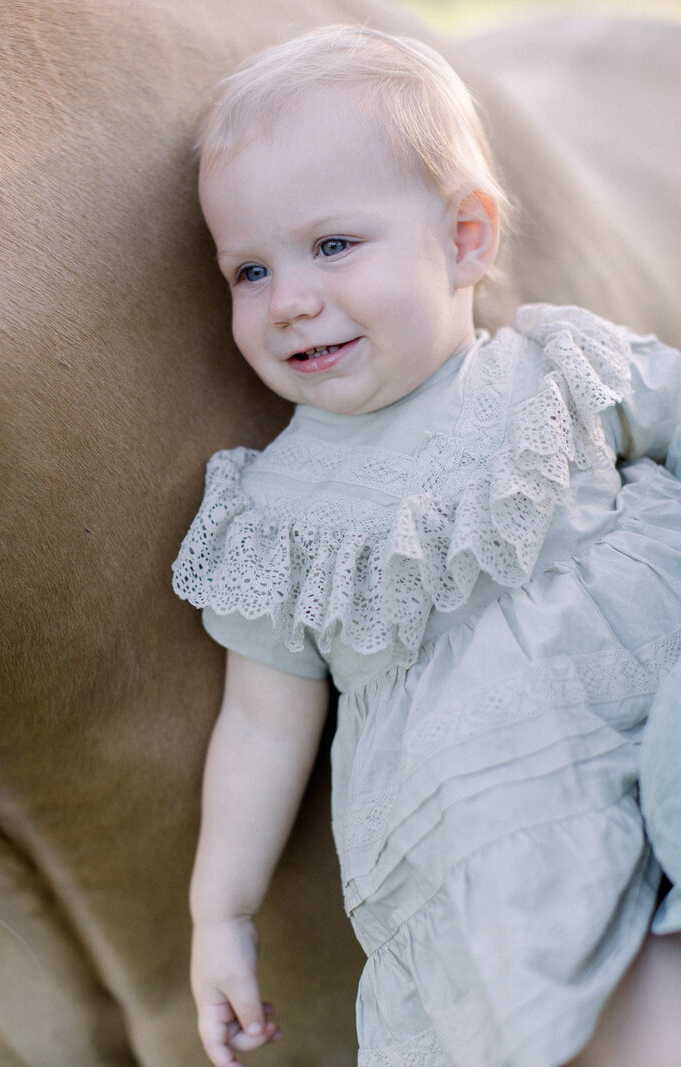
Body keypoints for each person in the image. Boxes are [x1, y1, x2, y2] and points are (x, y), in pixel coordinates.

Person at [172, 24, 681, 1067]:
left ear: (463, 239)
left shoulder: (557, 368)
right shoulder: (279, 514)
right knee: (575, 1010)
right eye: (249, 269)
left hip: (651, 729)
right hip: (493, 820)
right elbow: (262, 725)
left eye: (330, 245)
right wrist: (218, 911)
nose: (291, 299)